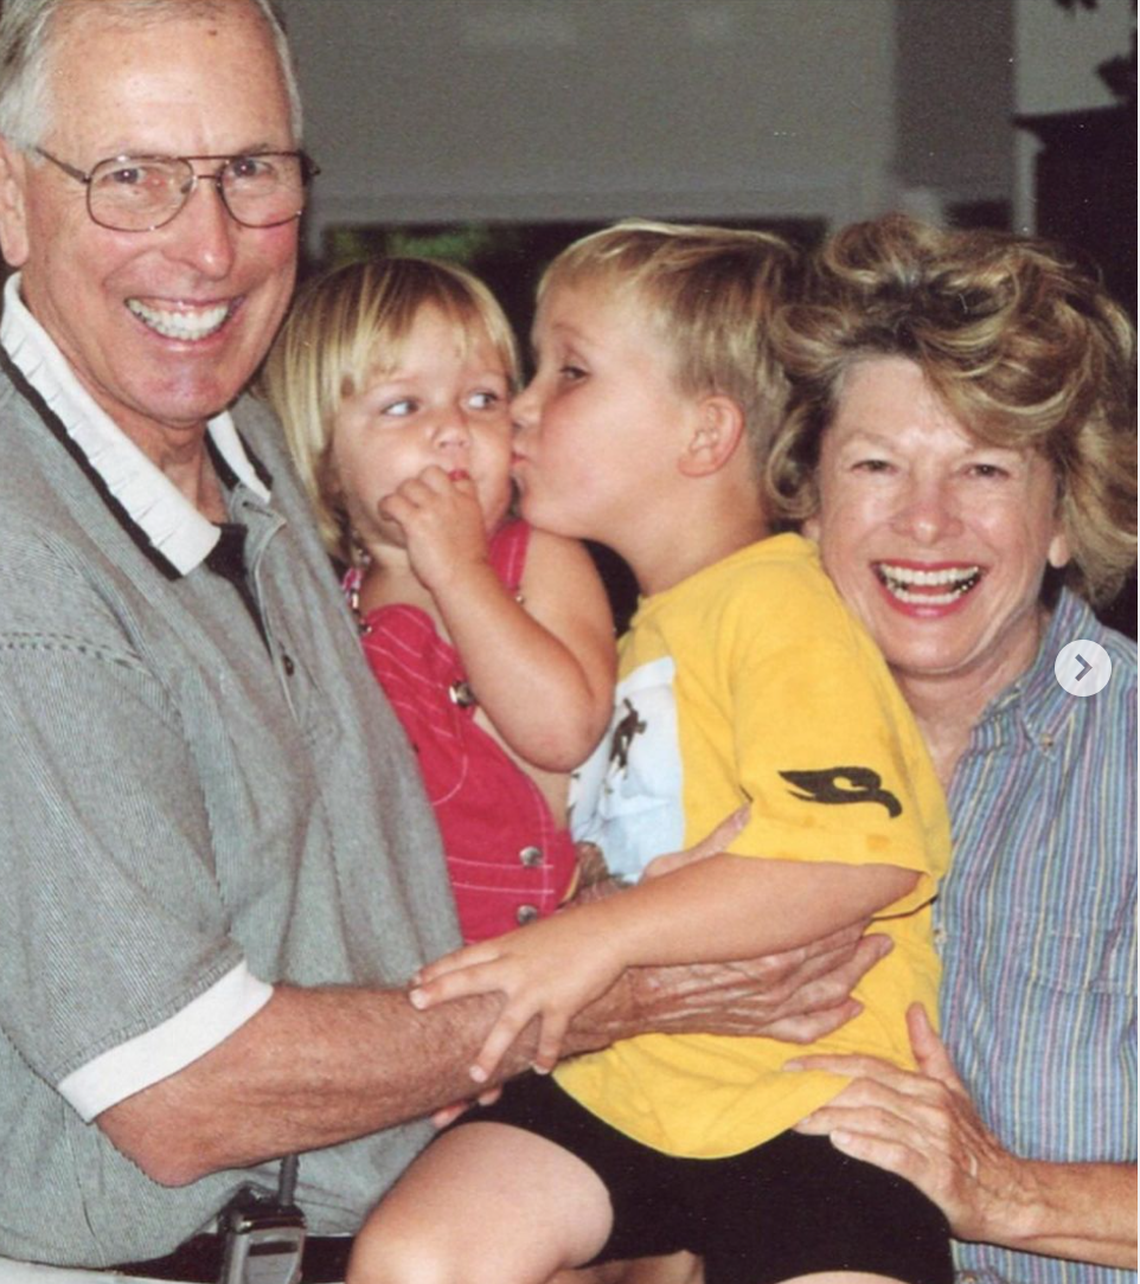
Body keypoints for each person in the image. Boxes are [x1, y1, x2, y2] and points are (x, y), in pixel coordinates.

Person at [0, 1, 891, 1272]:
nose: (207, 245)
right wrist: (618, 987)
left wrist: (600, 897)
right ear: (11, 200)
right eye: (131, 176)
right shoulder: (28, 573)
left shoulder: (248, 447)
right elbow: (182, 1088)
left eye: (251, 169)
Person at [349, 221, 954, 1284]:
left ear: (705, 433)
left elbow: (855, 858)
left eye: (570, 372)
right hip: (625, 1088)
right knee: (416, 1254)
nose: (520, 406)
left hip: (809, 1102)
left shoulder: (780, 608)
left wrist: (587, 942)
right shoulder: (649, 631)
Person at [767, 214, 1137, 1281]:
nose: (926, 522)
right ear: (810, 506)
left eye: (983, 470)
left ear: (1064, 515)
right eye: (878, 465)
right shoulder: (717, 754)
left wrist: (1002, 1191)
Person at [261, 256, 616, 945]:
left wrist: (460, 571)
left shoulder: (538, 559)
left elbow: (564, 731)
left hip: (537, 942)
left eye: (483, 399)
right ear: (326, 462)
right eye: (404, 406)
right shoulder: (329, 611)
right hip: (397, 948)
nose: (455, 429)